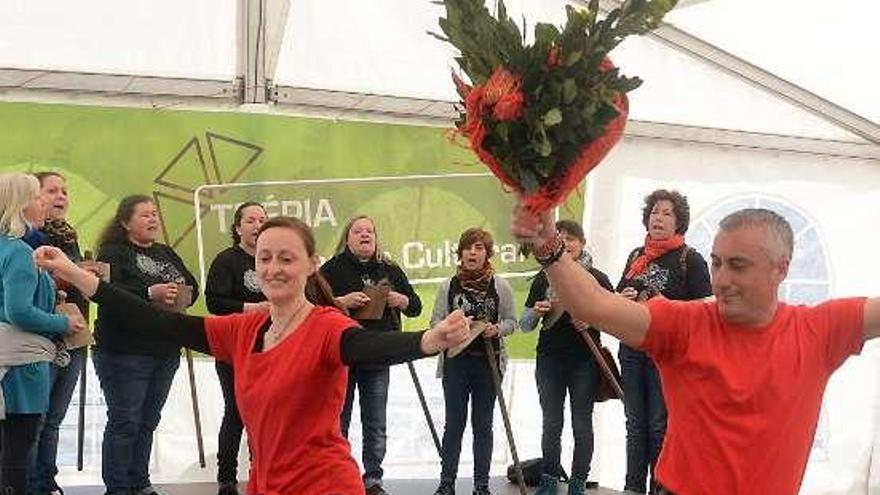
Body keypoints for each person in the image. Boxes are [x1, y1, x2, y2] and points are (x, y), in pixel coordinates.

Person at [33, 216, 471, 495]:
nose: (274, 267)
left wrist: (425, 341)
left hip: (324, 485)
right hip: (265, 484)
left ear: (311, 265)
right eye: (265, 258)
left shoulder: (325, 325)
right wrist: (74, 274)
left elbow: (366, 346)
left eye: (286, 258)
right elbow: (159, 322)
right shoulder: (243, 330)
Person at [512, 205, 880, 495]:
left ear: (781, 269)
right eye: (717, 263)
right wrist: (547, 246)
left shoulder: (818, 329)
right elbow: (593, 304)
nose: (722, 280)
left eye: (738, 266)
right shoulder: (684, 324)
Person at [93, 195, 199, 495]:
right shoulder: (113, 252)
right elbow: (108, 292)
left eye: (155, 214)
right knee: (125, 421)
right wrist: (149, 291)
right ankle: (117, 487)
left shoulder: (166, 252)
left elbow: (191, 284)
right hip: (124, 351)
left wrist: (180, 295)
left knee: (149, 419)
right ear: (125, 222)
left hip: (165, 349)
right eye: (145, 215)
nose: (153, 220)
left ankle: (139, 483)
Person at [615, 190, 711, 494]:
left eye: (667, 213)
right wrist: (623, 298)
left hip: (667, 356)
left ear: (679, 221)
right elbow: (617, 295)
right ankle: (632, 488)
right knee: (634, 424)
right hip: (632, 349)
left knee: (659, 426)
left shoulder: (690, 259)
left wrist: (660, 303)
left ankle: (660, 488)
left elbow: (705, 310)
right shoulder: (635, 256)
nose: (659, 217)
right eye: (655, 211)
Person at [320, 215, 422, 495]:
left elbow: (415, 306)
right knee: (338, 420)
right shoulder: (331, 269)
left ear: (376, 238)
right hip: (342, 356)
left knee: (375, 421)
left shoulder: (389, 268)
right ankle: (336, 475)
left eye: (370, 231)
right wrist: (342, 302)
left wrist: (401, 300)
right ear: (347, 237)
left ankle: (373, 479)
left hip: (378, 355)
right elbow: (314, 307)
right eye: (358, 230)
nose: (365, 235)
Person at [0, 173, 85, 495]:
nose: (44, 203)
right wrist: (63, 323)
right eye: (38, 197)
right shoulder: (20, 251)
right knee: (16, 454)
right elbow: (18, 311)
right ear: (19, 205)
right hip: (23, 368)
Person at [520, 220, 614, 495]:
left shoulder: (597, 277)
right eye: (561, 239)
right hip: (549, 359)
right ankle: (549, 481)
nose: (567, 244)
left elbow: (615, 319)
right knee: (551, 422)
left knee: (581, 423)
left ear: (582, 243)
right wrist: (536, 312)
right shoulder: (544, 277)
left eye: (571, 239)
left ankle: (577, 484)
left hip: (584, 362)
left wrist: (592, 321)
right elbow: (525, 325)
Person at [431, 228, 517, 495]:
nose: (472, 252)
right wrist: (452, 328)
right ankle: (447, 483)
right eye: (468, 247)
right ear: (460, 253)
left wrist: (496, 329)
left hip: (488, 363)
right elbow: (434, 322)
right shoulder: (448, 286)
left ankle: (481, 485)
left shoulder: (500, 286)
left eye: (479, 248)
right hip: (456, 362)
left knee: (483, 424)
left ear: (487, 254)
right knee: (454, 423)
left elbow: (512, 322)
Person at [28, 171, 91, 495]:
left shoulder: (69, 236)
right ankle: (27, 484)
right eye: (52, 190)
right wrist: (74, 276)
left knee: (54, 419)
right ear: (33, 197)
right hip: (41, 338)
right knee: (34, 420)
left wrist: (86, 275)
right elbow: (30, 287)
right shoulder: (25, 238)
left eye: (64, 191)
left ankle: (46, 480)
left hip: (74, 336)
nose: (61, 196)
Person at [205, 202, 268, 495]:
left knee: (266, 412)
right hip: (234, 348)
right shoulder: (226, 261)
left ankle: (263, 471)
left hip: (270, 348)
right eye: (251, 220)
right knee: (236, 411)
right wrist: (252, 308)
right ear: (238, 228)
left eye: (262, 220)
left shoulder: (273, 261)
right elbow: (214, 303)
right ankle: (227, 478)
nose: (257, 225)